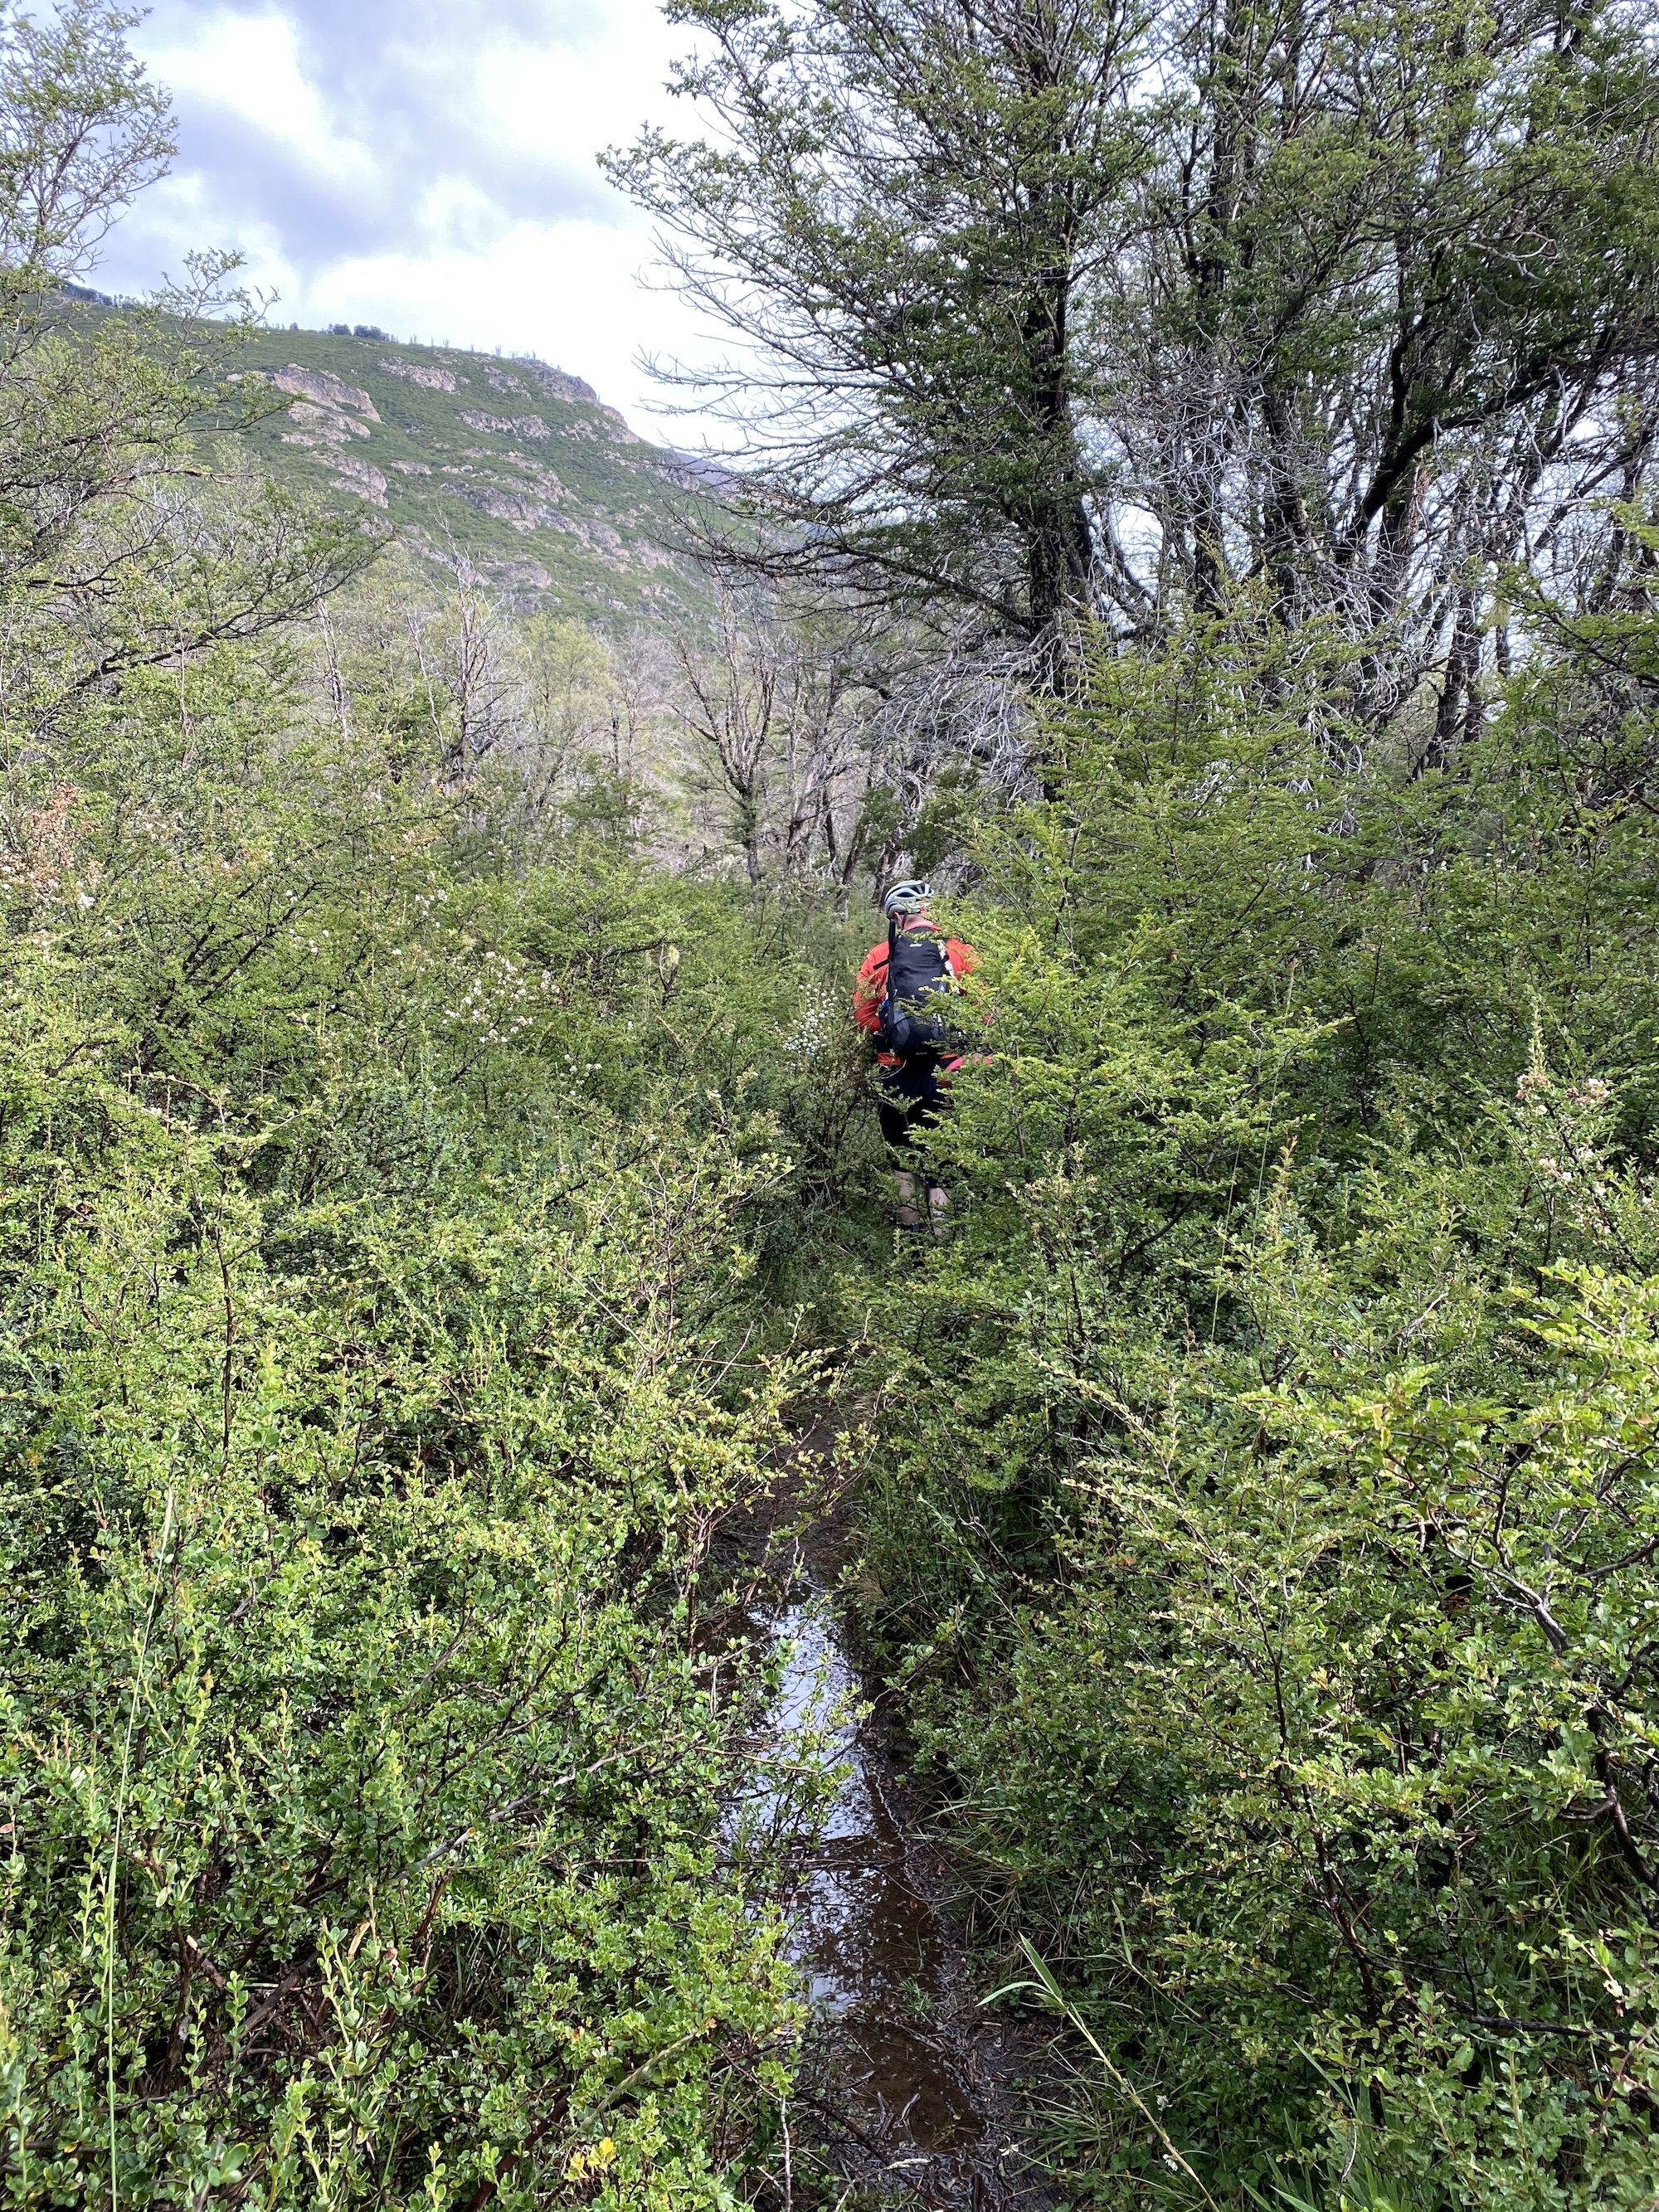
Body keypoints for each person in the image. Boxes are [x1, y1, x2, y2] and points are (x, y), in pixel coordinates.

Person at [852, 879, 979, 1234]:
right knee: (943, 1163)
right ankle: (944, 1254)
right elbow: (985, 1011)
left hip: (895, 1071)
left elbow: (863, 1015)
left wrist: (895, 1035)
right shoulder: (960, 951)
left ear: (896, 916)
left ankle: (911, 1249)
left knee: (902, 1161)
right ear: (930, 911)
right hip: (948, 1070)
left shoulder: (880, 956)